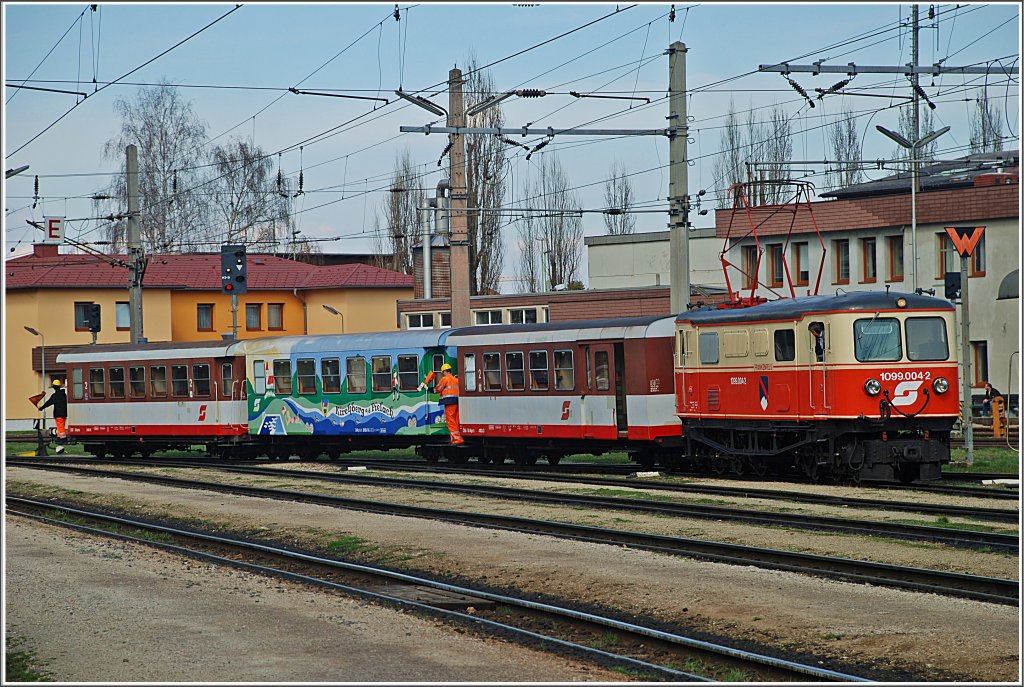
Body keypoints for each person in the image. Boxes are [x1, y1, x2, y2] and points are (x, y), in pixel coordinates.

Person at [418, 363, 463, 445]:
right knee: (456, 420)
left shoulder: (445, 379)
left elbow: (437, 389)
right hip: (456, 401)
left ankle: (457, 439)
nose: (442, 373)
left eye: (442, 372)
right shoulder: (456, 379)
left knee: (450, 421)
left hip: (449, 402)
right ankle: (455, 438)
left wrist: (428, 388)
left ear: (445, 371)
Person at [38, 379, 68, 454]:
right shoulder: (64, 394)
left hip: (58, 414)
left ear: (54, 387)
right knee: (61, 426)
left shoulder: (55, 396)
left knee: (60, 427)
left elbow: (49, 403)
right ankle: (59, 438)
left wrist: (41, 408)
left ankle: (63, 439)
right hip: (64, 413)